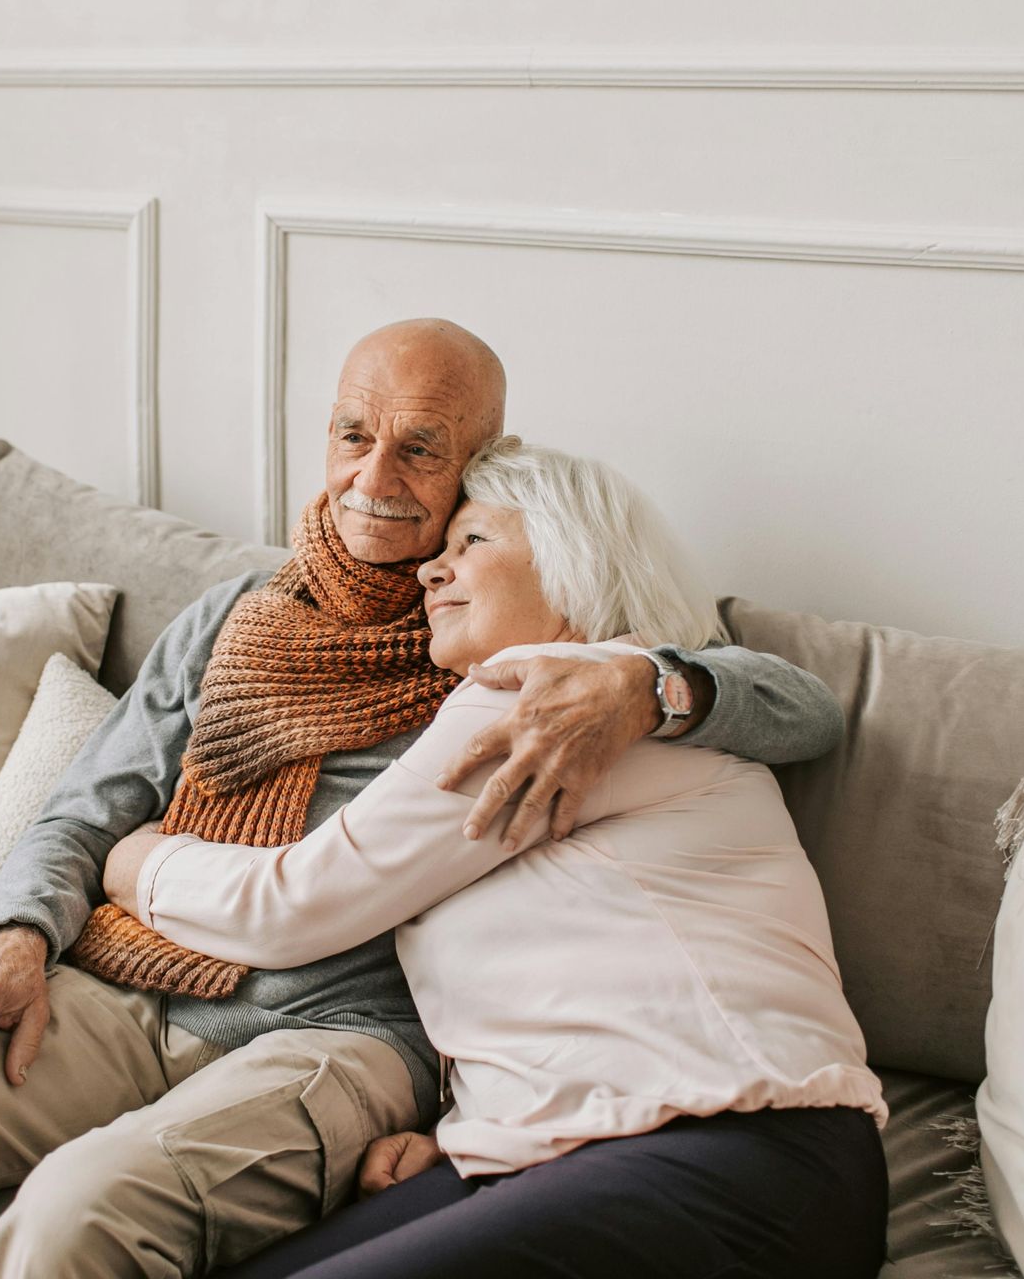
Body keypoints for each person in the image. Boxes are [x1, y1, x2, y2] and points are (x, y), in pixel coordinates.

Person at [0, 320, 848, 1279]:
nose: (374, 473)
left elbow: (799, 705)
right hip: (135, 974)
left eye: (421, 448)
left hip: (338, 1028)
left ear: (477, 470)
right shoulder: (238, 614)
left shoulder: (533, 670)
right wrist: (7, 939)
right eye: (350, 435)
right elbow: (85, 807)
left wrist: (645, 682)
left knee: (69, 1221)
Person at [104, 438, 888, 1279]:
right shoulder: (618, 699)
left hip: (739, 1149)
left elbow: (293, 906)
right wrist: (459, 1128)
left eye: (471, 543)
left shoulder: (551, 696)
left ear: (575, 557)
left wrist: (135, 860)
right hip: (572, 1159)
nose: (430, 573)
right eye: (437, 555)